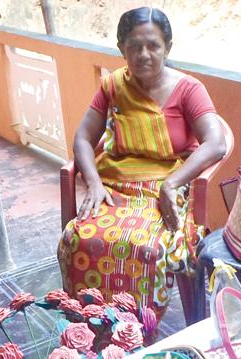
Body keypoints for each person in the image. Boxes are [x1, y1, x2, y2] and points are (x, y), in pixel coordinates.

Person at [58, 6, 226, 324]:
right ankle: (92, 323)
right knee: (79, 237)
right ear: (122, 49)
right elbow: (82, 138)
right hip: (116, 185)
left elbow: (216, 142)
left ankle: (139, 327)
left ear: (168, 48)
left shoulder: (189, 89)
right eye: (134, 46)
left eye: (153, 45)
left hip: (169, 185)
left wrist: (172, 183)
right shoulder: (113, 87)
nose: (143, 54)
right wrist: (93, 181)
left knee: (150, 246)